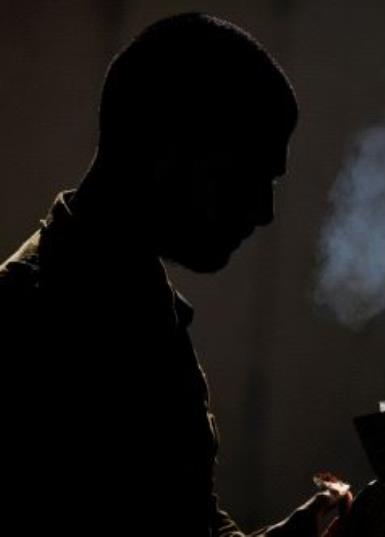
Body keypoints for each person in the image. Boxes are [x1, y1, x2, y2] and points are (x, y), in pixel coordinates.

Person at [0, 13, 348, 536]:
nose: (263, 211)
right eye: (247, 176)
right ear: (169, 147)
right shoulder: (35, 322)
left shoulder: (138, 304)